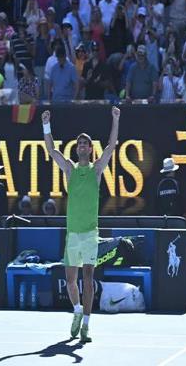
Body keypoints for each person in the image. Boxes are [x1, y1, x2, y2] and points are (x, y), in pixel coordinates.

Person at [42, 105, 120, 343]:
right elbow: (51, 150)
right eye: (79, 144)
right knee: (70, 281)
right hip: (73, 234)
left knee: (87, 279)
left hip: (89, 234)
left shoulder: (97, 170)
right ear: (77, 149)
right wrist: (46, 125)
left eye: (85, 144)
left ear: (90, 149)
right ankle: (76, 311)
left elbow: (111, 146)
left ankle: (86, 324)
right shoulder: (69, 168)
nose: (82, 146)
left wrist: (115, 119)